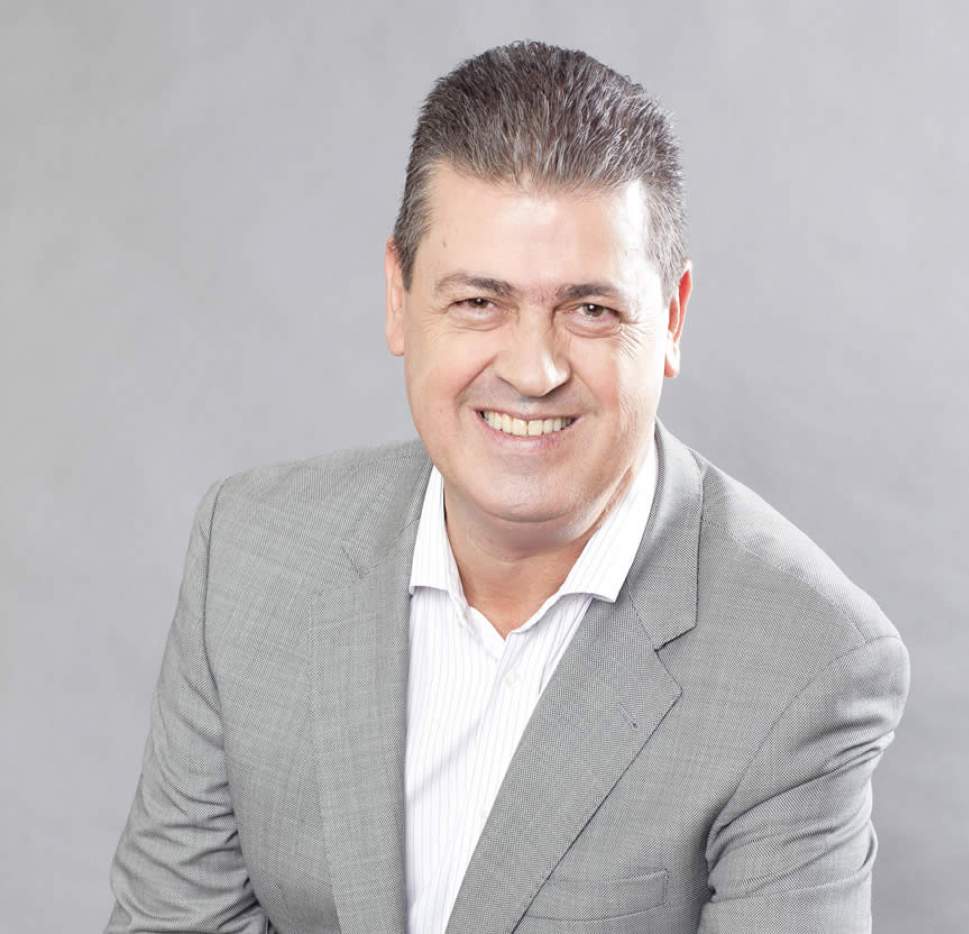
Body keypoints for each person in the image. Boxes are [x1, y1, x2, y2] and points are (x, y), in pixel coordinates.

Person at [106, 40, 910, 934]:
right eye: (479, 302)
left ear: (672, 319)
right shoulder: (249, 554)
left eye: (591, 309)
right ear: (398, 298)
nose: (533, 371)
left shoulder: (806, 661)